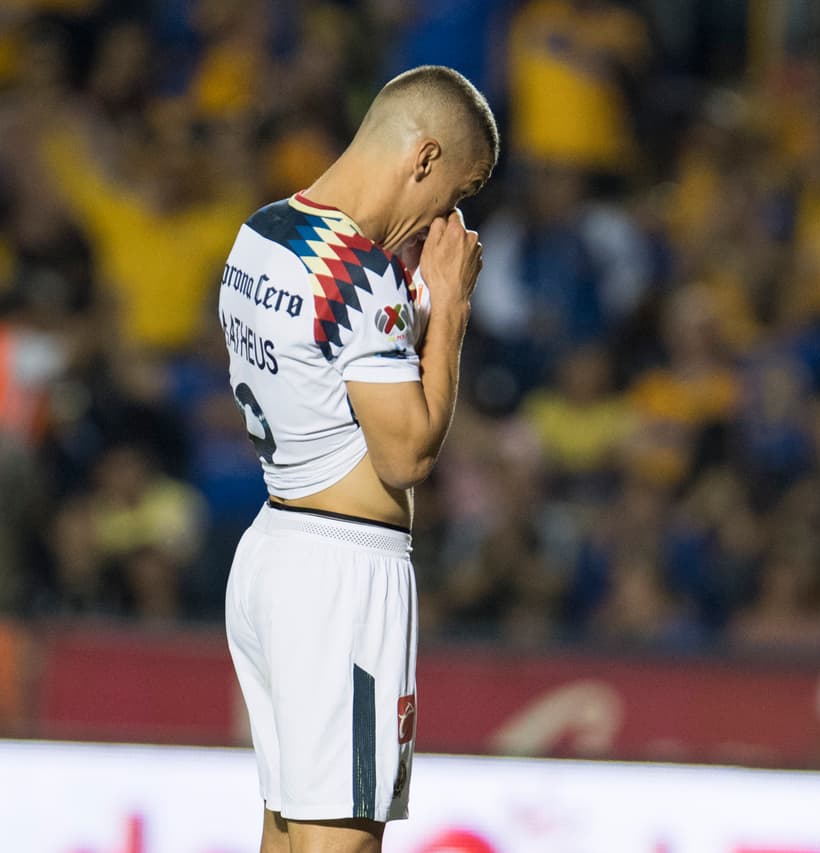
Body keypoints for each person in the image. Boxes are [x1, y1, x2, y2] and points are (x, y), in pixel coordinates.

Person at [218, 66, 497, 853]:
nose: (448, 218)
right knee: (342, 840)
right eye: (456, 191)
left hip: (274, 547)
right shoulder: (357, 276)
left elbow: (324, 375)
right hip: (342, 576)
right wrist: (450, 312)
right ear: (424, 158)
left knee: (283, 831)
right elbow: (406, 451)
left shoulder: (261, 233)